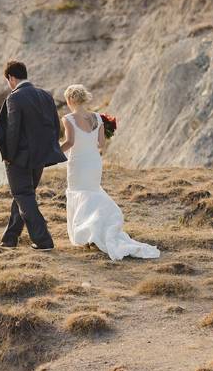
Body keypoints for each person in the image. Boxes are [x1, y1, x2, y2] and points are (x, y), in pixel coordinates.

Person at [61, 84, 160, 261]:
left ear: (70, 100)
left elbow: (69, 142)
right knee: (91, 193)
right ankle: (94, 232)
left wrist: (53, 150)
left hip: (78, 164)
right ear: (84, 98)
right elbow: (101, 144)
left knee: (79, 194)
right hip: (94, 162)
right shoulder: (98, 118)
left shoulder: (68, 118)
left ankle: (87, 234)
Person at [0, 60, 66, 250]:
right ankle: (10, 239)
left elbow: (12, 130)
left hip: (19, 158)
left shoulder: (15, 97)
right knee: (23, 196)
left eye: (8, 80)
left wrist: (9, 156)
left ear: (11, 77)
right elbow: (55, 126)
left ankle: (43, 240)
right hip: (40, 157)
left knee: (23, 195)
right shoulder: (45, 95)